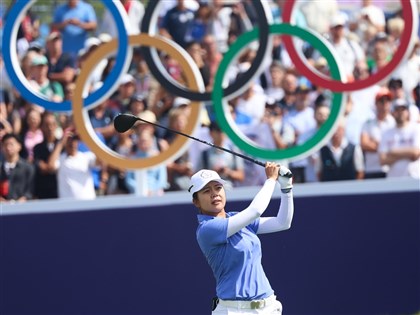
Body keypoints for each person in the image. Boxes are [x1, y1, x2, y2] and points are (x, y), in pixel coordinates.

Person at [191, 162, 294, 314]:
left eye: (218, 188)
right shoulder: (207, 229)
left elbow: (282, 222)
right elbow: (256, 210)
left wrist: (286, 189)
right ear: (196, 201)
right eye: (206, 191)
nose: (215, 194)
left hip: (268, 307)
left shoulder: (235, 218)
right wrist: (271, 179)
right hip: (234, 310)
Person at [379, 99, 420, 179]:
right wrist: (407, 154)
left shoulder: (416, 128)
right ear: (392, 113)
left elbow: (415, 152)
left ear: (408, 112)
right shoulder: (387, 133)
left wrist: (393, 151)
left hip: (414, 178)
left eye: (403, 109)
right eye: (397, 110)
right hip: (394, 180)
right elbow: (383, 160)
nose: (400, 112)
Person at [0, 133, 34, 202]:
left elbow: (31, 190)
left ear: (19, 146)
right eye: (5, 145)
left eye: (11, 144)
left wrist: (23, 199)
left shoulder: (28, 168)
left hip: (23, 208)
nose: (8, 148)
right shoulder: (1, 168)